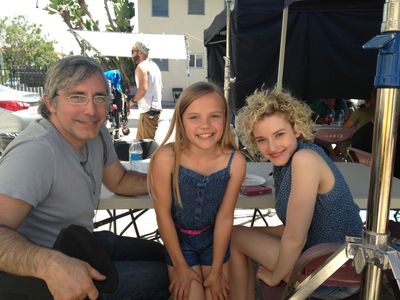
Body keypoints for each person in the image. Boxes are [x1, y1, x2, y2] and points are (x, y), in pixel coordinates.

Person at [0, 56, 169, 300]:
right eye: (76, 97)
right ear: (51, 102)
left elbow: (118, 181)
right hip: (45, 274)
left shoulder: (96, 133)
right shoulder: (37, 151)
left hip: (81, 244)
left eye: (99, 97)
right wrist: (48, 264)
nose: (91, 110)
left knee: (168, 257)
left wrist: (173, 183)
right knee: (167, 277)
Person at [230, 88, 363, 299]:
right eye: (261, 139)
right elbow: (292, 228)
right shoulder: (291, 159)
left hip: (332, 274)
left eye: (279, 134)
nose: (272, 146)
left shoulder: (304, 160)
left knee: (234, 238)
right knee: (236, 233)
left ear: (297, 128)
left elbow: (294, 238)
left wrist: (275, 277)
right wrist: (253, 231)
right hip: (331, 260)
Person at [148, 81, 246, 299]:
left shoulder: (235, 161)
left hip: (214, 243)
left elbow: (224, 218)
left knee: (216, 294)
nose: (205, 125)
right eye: (194, 117)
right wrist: (180, 266)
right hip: (179, 242)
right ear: (181, 120)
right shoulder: (166, 158)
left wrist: (218, 269)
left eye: (214, 116)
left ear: (226, 118)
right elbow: (162, 215)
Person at [130, 40, 163, 140]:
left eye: (133, 51)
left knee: (144, 149)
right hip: (152, 112)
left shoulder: (141, 67)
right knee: (141, 146)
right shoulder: (154, 66)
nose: (132, 55)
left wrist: (132, 101)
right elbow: (161, 87)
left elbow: (143, 89)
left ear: (140, 52)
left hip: (148, 113)